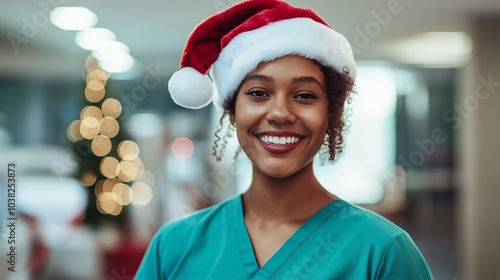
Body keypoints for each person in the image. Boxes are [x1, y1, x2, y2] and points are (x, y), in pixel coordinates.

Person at [135, 0, 433, 279]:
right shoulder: (173, 248)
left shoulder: (382, 251)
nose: (280, 113)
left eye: (305, 95)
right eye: (258, 93)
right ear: (232, 110)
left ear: (331, 114)